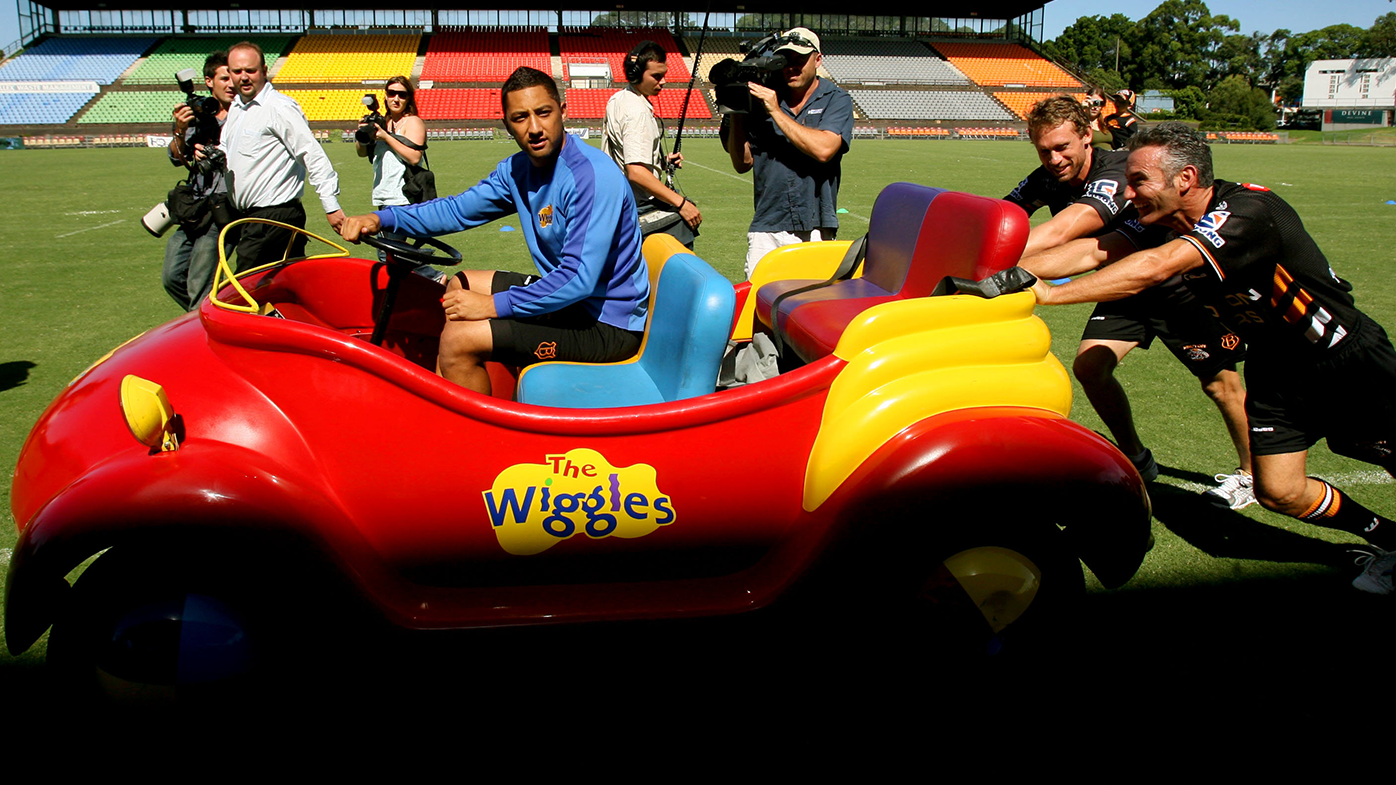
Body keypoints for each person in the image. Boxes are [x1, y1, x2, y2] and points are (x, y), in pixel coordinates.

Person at [1028, 122, 1396, 594]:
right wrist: (1003, 272)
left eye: (1139, 180)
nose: (1127, 191)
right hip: (1276, 369)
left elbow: (1156, 267)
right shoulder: (1160, 221)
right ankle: (1390, 541)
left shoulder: (1248, 210)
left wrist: (1050, 295)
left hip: (1343, 359)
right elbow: (1091, 252)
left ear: (1185, 179)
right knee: (1278, 491)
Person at [337, 67, 648, 397]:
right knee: (460, 285)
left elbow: (577, 279)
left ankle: (472, 425)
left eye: (543, 113)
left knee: (458, 341)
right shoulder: (518, 170)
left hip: (607, 323)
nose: (534, 128)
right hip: (572, 304)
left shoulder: (591, 176)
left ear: (563, 111)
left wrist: (492, 306)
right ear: (507, 124)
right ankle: (451, 400)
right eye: (520, 118)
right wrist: (383, 218)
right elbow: (457, 210)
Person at [1010, 96, 1253, 508]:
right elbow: (1004, 215)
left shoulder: (1115, 171)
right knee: (1090, 367)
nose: (1054, 159)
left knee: (1220, 385)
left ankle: (1252, 474)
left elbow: (1069, 234)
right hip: (1123, 282)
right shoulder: (1045, 178)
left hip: (1176, 284)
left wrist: (995, 261)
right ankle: (1137, 458)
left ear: (1087, 136)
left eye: (1062, 147)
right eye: (1044, 150)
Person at [724, 27, 854, 279]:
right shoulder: (762, 97)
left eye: (799, 59)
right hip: (767, 224)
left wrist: (775, 110)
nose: (791, 67)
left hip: (816, 225)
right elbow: (742, 163)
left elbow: (824, 149)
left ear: (817, 60)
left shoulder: (835, 99)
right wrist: (737, 111)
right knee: (758, 297)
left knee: (812, 300)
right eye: (785, 60)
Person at [220, 41, 345, 272]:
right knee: (283, 285)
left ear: (264, 71)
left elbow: (312, 154)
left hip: (274, 218)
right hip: (250, 217)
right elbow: (227, 148)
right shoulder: (237, 107)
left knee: (244, 287)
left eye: (250, 70)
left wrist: (331, 205)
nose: (244, 77)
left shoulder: (278, 107)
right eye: (237, 71)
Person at [602, 39, 701, 249]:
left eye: (663, 75)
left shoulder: (618, 99)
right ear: (636, 74)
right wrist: (681, 203)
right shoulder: (637, 112)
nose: (663, 81)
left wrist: (661, 162)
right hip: (638, 206)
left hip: (617, 203)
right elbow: (636, 171)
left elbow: (624, 154)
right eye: (656, 76)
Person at [162, 50, 236, 310]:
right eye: (224, 78)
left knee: (200, 284)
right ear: (208, 81)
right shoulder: (198, 113)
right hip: (195, 207)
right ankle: (212, 316)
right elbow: (176, 157)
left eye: (233, 77)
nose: (231, 84)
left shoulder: (245, 112)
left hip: (224, 208)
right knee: (172, 276)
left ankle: (201, 322)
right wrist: (181, 131)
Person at [355, 75, 443, 282]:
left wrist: (386, 136)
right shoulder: (381, 122)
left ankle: (433, 277)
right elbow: (361, 153)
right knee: (391, 253)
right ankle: (426, 280)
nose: (396, 99)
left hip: (402, 196)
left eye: (401, 95)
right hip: (384, 195)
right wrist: (363, 133)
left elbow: (414, 157)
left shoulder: (412, 122)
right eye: (392, 93)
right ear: (385, 96)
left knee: (389, 253)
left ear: (409, 98)